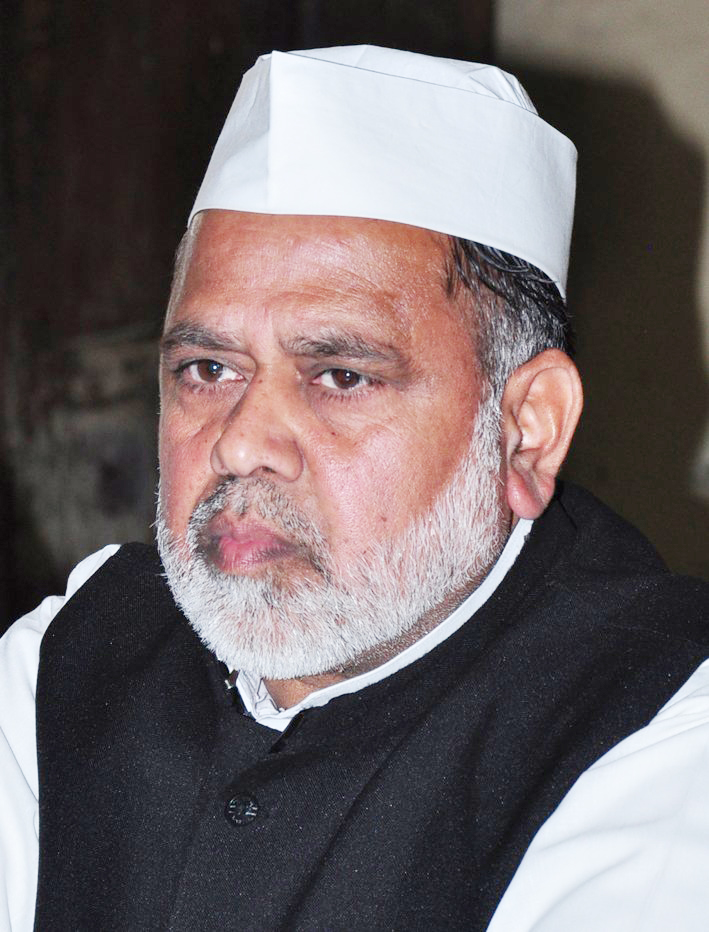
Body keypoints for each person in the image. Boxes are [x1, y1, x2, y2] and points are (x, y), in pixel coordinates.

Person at [1, 45, 708, 932]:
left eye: (339, 376)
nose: (241, 444)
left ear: (527, 427)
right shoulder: (66, 660)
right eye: (208, 368)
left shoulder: (662, 725)